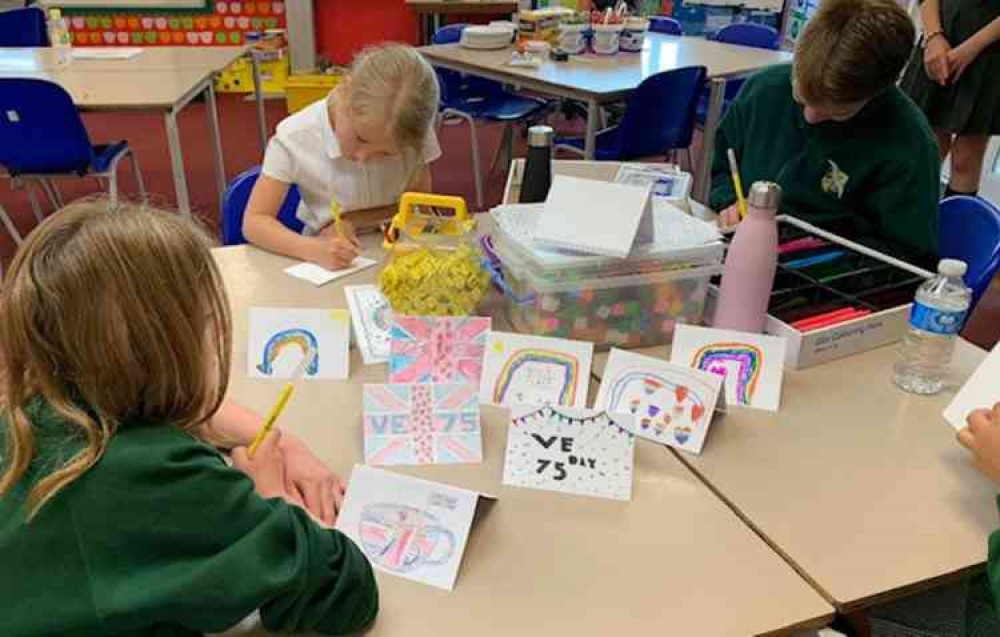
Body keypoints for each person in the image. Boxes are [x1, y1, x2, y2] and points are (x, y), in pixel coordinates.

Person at [0, 201, 378, 635]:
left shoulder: (31, 413)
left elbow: (179, 406)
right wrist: (273, 493)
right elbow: (343, 589)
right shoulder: (160, 475)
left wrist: (279, 440)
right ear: (165, 351)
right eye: (204, 323)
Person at [711, 0, 941, 263]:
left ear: (876, 94)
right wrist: (729, 201)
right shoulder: (764, 90)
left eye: (835, 111)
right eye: (801, 97)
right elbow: (722, 168)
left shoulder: (908, 145)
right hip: (738, 250)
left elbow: (906, 254)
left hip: (826, 279)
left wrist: (806, 252)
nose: (810, 117)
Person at [243, 43, 441, 270]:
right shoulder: (295, 137)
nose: (362, 157)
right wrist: (312, 249)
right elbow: (254, 222)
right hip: (326, 254)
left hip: (396, 248)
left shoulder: (412, 131)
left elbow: (418, 204)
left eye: (386, 154)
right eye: (360, 138)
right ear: (345, 91)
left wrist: (352, 221)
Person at [901, 0, 1000, 198]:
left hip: (990, 52)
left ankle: (953, 227)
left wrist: (968, 50)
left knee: (966, 159)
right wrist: (933, 37)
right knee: (924, 148)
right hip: (939, 39)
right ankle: (901, 224)